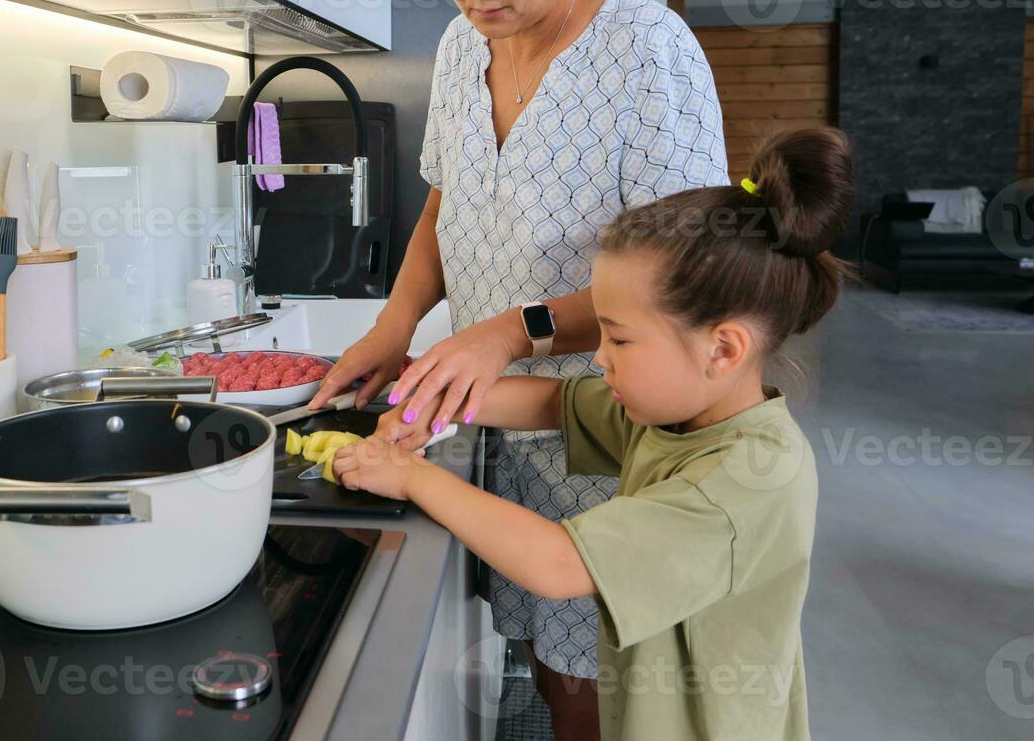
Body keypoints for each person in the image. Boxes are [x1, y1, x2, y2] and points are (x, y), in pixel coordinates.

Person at [307, 0, 729, 735]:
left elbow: (685, 278)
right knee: (541, 657)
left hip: (602, 423)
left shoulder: (648, 53)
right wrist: (394, 325)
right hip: (490, 412)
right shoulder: (464, 48)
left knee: (597, 677)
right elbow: (447, 202)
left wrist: (512, 331)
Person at [333, 127, 854, 741]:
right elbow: (556, 401)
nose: (599, 358)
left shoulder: (743, 482)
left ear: (723, 348)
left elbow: (559, 564)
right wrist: (437, 405)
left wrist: (411, 475)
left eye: (620, 338)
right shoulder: (678, 418)